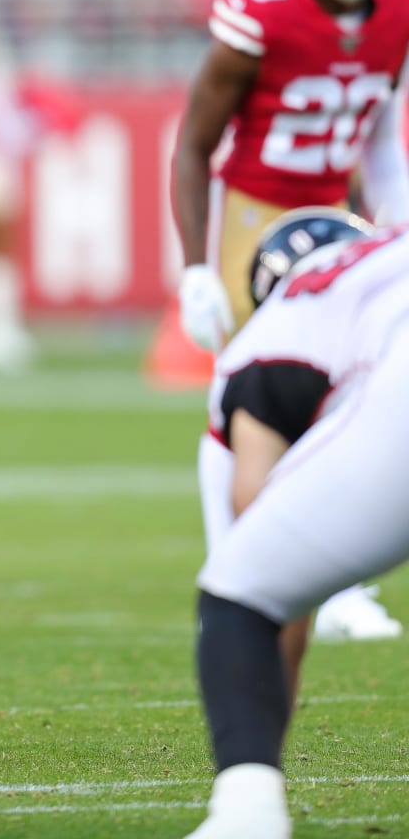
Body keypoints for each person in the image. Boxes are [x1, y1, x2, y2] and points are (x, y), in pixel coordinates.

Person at [172, 0, 409, 642]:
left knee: (352, 395)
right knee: (245, 398)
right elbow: (195, 142)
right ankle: (236, 571)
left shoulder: (397, 5)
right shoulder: (260, 14)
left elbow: (375, 132)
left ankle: (331, 577)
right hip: (253, 213)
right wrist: (197, 265)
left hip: (335, 219)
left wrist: (396, 224)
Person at [185, 214, 409, 839]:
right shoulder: (389, 251)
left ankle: (248, 814)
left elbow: (261, 541)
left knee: (240, 592)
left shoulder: (277, 328)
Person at [198, 206, 374, 712]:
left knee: (260, 574)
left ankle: (251, 767)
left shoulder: (262, 350)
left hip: (290, 390)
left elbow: (265, 543)